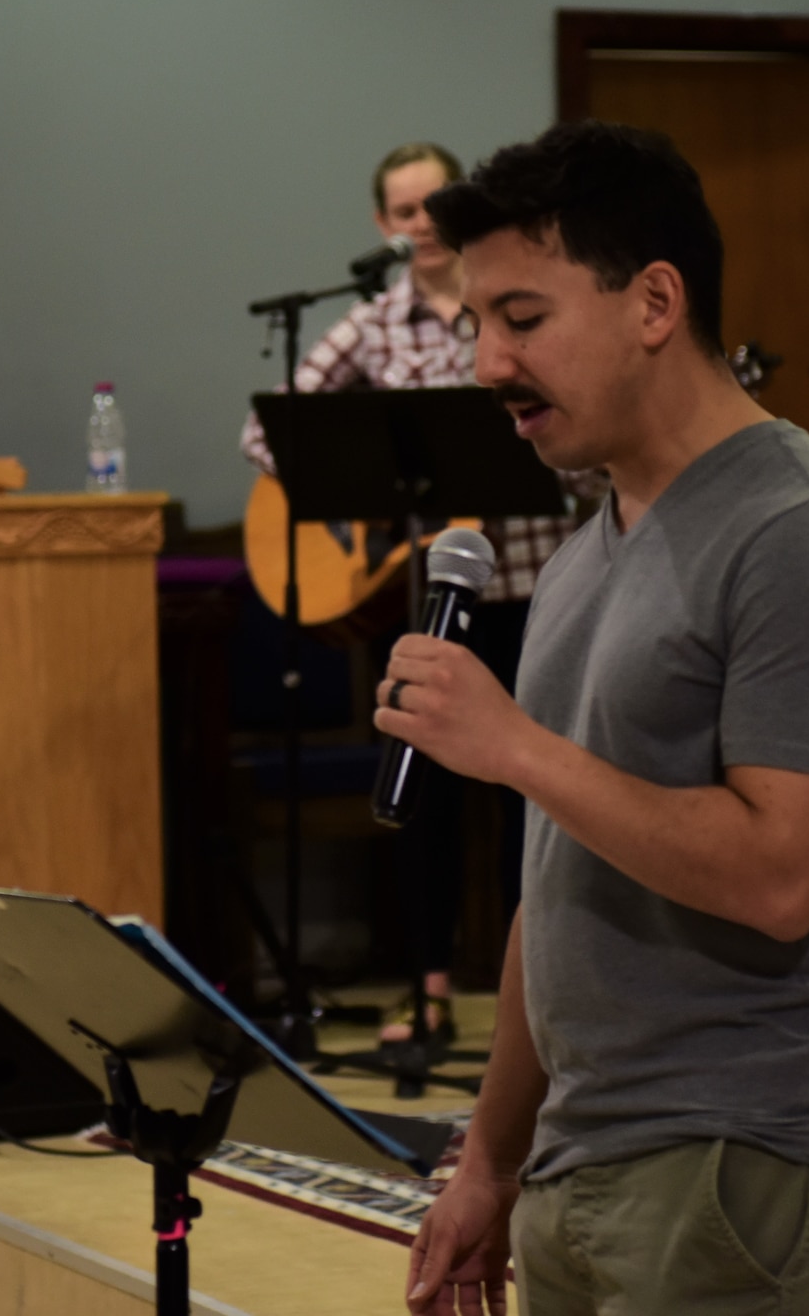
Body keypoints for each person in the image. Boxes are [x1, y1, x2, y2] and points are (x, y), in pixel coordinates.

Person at [377, 121, 809, 1315]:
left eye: (521, 320)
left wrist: (516, 748)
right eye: (478, 325)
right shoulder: (588, 552)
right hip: (586, 1168)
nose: (486, 363)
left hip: (754, 1162)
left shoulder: (802, 534)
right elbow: (555, 886)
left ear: (654, 302)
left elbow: (782, 873)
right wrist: (488, 1162)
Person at [242, 141, 574, 1043]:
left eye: (434, 206)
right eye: (401, 211)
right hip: (430, 593)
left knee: (524, 801)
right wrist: (369, 517)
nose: (419, 225)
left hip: (532, 587)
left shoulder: (509, 309)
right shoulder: (376, 323)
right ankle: (428, 990)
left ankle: (529, 998)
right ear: (381, 226)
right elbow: (272, 431)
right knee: (423, 796)